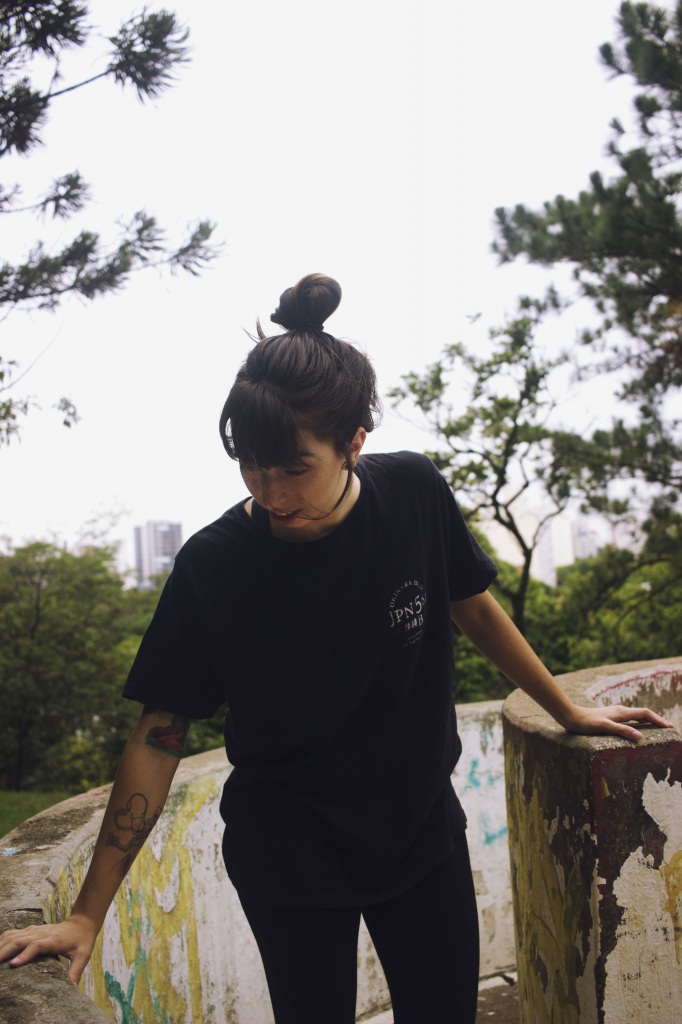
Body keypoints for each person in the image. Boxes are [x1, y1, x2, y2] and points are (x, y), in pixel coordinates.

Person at [0, 274, 674, 1024]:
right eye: (252, 465)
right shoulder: (214, 566)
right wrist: (87, 914)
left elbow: (474, 607)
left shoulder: (413, 493)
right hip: (288, 856)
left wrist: (565, 710)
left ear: (354, 442)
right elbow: (161, 733)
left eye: (295, 468)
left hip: (422, 835)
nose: (272, 491)